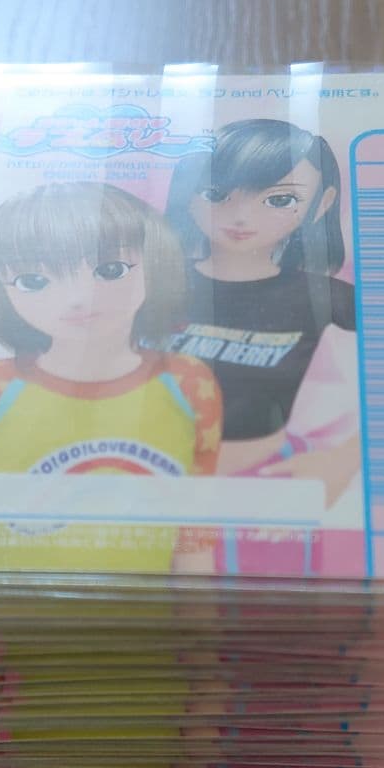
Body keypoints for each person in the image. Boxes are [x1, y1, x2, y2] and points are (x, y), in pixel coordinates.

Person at [0, 181, 222, 574]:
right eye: (34, 281)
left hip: (151, 612)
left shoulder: (189, 382)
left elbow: (193, 539)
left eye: (110, 270)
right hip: (12, 613)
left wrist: (200, 614)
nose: (78, 298)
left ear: (156, 266)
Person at [160, 119, 362, 573]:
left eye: (279, 199)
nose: (241, 217)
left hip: (265, 486)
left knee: (259, 611)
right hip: (146, 479)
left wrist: (343, 460)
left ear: (322, 202)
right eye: (217, 193)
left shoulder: (325, 297)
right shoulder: (149, 284)